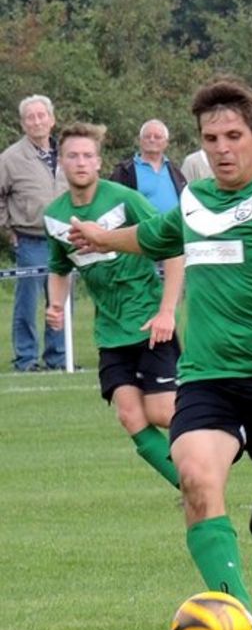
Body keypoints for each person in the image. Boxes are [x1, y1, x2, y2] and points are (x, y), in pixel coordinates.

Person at [68, 76, 252, 630]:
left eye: (234, 136)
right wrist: (101, 236)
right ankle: (237, 616)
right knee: (194, 476)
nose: (221, 148)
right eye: (210, 137)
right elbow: (158, 236)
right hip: (207, 376)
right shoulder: (193, 198)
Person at [44, 122, 183, 489]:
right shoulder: (54, 216)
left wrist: (167, 311)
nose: (80, 162)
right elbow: (59, 267)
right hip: (110, 331)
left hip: (149, 321)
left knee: (161, 411)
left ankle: (237, 423)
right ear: (61, 162)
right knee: (129, 415)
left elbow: (173, 248)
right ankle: (188, 486)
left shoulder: (125, 199)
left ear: (99, 162)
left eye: (88, 155)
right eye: (72, 155)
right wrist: (56, 305)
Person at [0, 94, 67, 371]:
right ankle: (26, 360)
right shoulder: (10, 158)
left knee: (60, 302)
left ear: (52, 120)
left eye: (42, 116)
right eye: (31, 117)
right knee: (27, 304)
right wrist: (7, 229)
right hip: (30, 240)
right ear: (23, 123)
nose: (37, 121)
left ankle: (59, 358)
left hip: (65, 240)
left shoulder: (67, 153)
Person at [110, 119, 187, 212]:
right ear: (140, 140)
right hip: (140, 226)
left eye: (157, 137)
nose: (152, 140)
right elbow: (113, 205)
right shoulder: (124, 171)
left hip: (173, 226)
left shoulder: (175, 171)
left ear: (166, 143)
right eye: (147, 136)